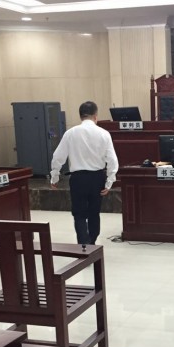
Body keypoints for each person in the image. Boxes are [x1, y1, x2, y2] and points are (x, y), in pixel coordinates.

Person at [50, 101, 119, 246]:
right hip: (97, 178)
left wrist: (54, 177)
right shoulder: (104, 133)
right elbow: (112, 160)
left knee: (79, 214)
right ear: (96, 116)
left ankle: (83, 246)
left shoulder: (70, 133)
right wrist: (109, 182)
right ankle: (92, 243)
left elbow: (58, 157)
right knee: (94, 213)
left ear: (80, 116)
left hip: (78, 179)